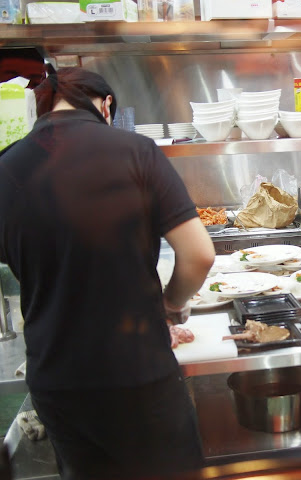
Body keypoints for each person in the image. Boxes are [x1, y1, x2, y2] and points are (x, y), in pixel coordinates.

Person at [0, 67, 216, 479]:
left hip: (57, 382)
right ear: (106, 105)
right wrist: (169, 303)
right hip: (137, 373)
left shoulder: (7, 167)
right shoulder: (137, 151)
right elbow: (199, 255)